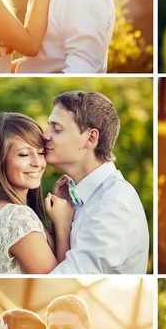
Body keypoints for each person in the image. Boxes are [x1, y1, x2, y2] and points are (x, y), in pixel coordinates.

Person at [44, 91, 149, 274]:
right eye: (48, 127)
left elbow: (68, 280)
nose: (45, 135)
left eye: (57, 129)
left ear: (91, 138)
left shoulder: (114, 204)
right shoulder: (75, 196)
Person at [0, 112, 74, 274]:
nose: (37, 163)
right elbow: (57, 281)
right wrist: (63, 225)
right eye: (24, 154)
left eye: (41, 152)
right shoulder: (17, 217)